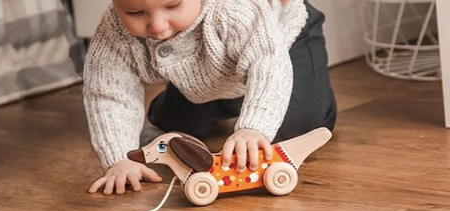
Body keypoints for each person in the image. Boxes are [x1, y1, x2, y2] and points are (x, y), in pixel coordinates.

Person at [83, 0, 337, 195]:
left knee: (301, 124)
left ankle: (243, 101)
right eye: (135, 13)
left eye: (173, 4)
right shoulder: (114, 31)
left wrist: (254, 128)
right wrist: (120, 159)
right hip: (209, 75)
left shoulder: (232, 9)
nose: (157, 26)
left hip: (280, 43)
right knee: (178, 131)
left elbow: (268, 63)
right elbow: (109, 93)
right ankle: (213, 100)